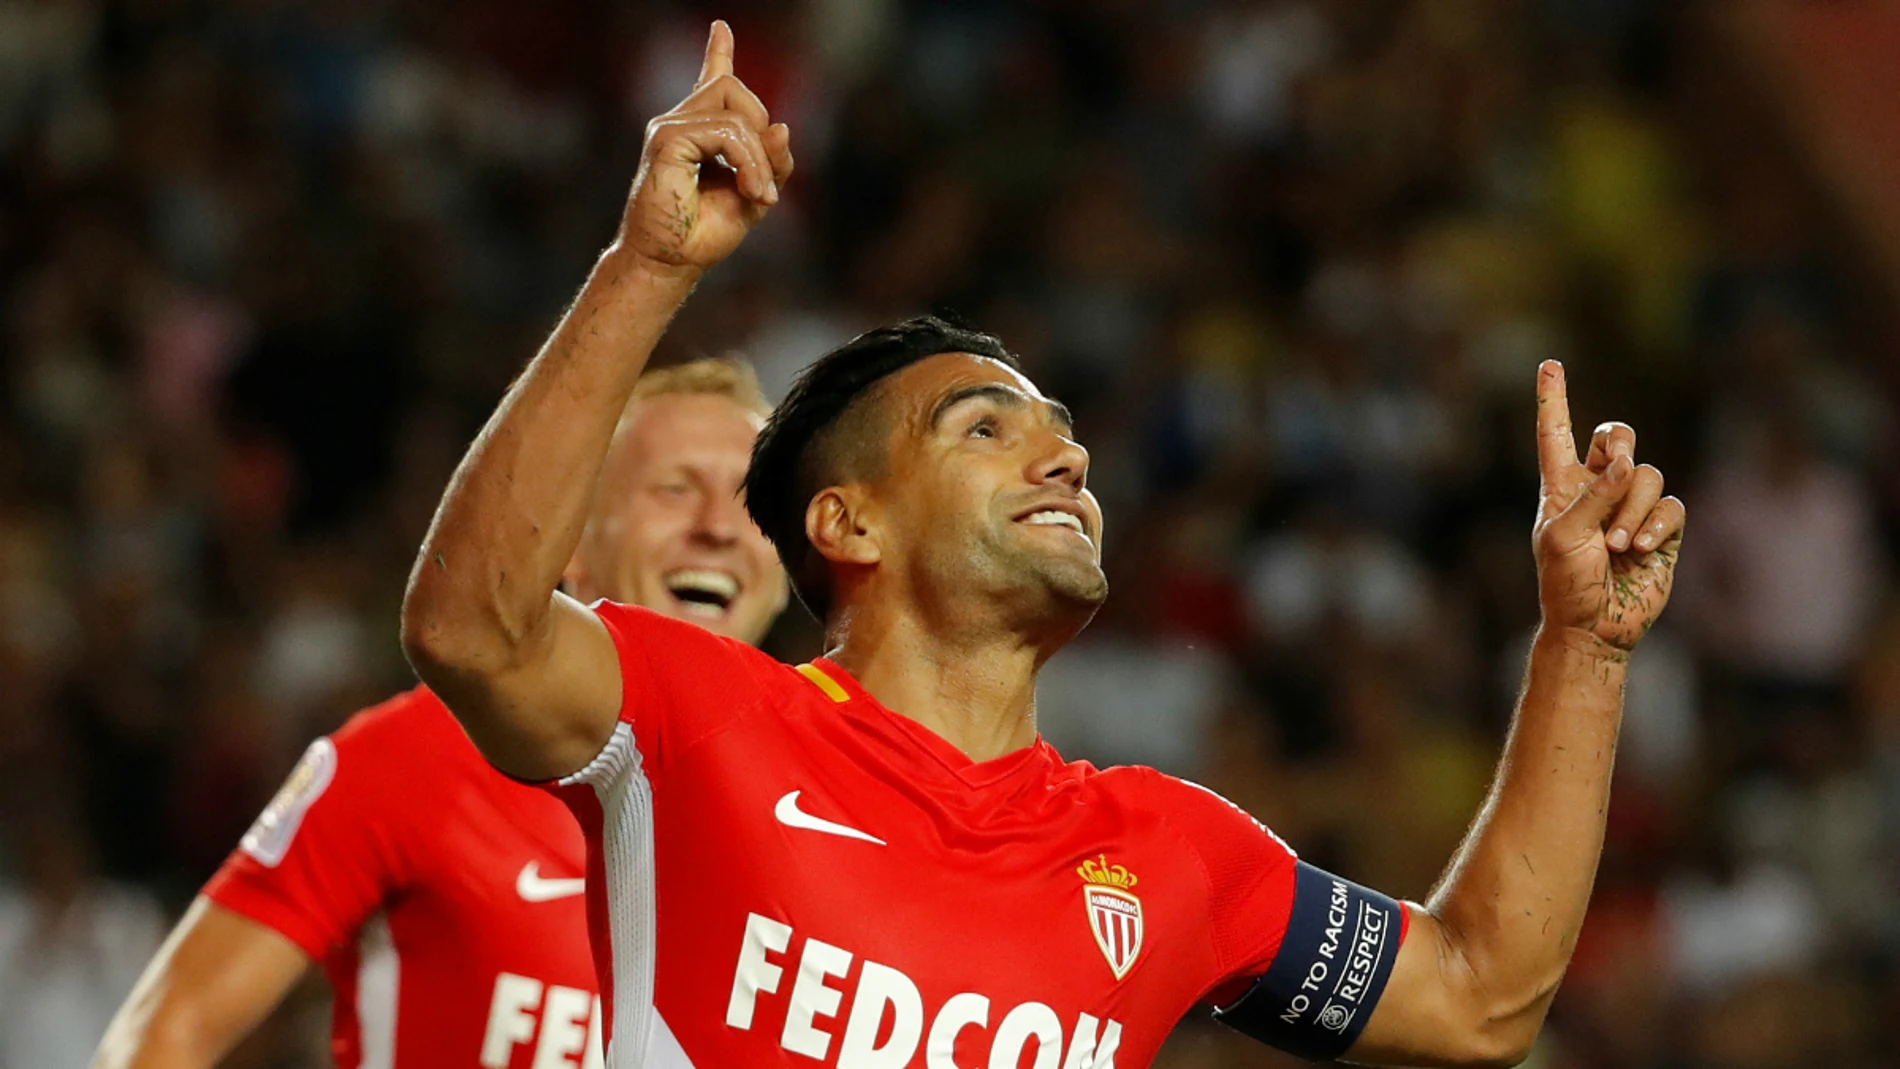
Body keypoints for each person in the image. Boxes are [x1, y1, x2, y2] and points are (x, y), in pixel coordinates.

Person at [400, 21, 1687, 1069]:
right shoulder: (701, 716)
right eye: (985, 427)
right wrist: (645, 267)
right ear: (848, 524)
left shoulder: (1173, 851)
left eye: (1063, 433)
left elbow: (1477, 999)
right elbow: (471, 625)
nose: (1064, 457)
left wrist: (1583, 646)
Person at [92, 359, 788, 1069]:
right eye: (675, 487)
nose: (719, 528)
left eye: (748, 499)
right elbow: (165, 1032)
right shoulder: (415, 756)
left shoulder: (827, 810)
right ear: (569, 543)